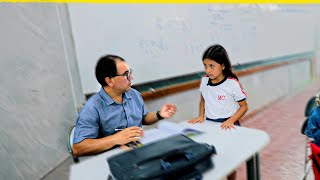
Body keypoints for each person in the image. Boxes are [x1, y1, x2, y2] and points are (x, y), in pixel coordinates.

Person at [73, 55, 177, 157]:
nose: (131, 78)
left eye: (130, 72)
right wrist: (115, 139)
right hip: (112, 158)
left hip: (137, 150)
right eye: (126, 74)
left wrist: (159, 114)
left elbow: (143, 118)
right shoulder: (92, 107)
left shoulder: (133, 94)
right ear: (110, 81)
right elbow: (78, 148)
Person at [188, 44, 248, 180]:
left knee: (229, 160)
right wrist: (200, 116)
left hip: (229, 125)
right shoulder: (204, 81)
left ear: (222, 65)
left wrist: (231, 120)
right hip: (210, 124)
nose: (207, 70)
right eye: (205, 66)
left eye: (211, 66)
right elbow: (203, 99)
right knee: (213, 157)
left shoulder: (232, 84)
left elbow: (244, 106)